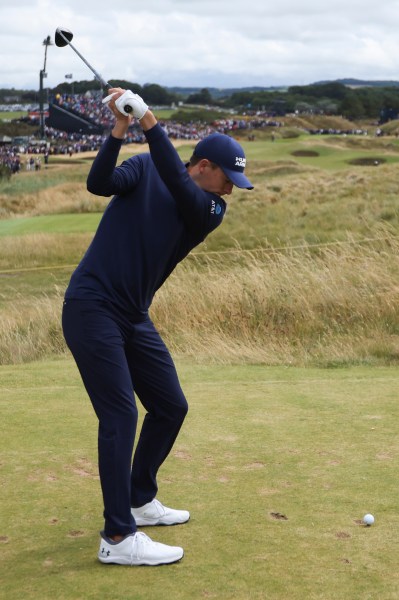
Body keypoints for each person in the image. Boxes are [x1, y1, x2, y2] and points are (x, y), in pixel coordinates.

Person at [61, 88, 253, 566]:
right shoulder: (145, 168)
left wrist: (148, 119)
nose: (231, 188)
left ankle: (139, 499)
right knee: (121, 415)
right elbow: (99, 182)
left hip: (132, 315)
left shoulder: (208, 210)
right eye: (227, 178)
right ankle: (118, 538)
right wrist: (120, 128)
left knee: (170, 406)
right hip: (91, 306)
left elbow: (174, 177)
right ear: (204, 164)